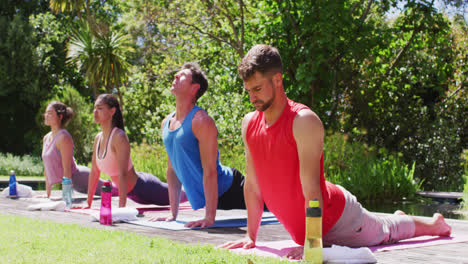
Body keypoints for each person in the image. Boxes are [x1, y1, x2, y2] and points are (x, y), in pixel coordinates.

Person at [220, 44, 451, 259]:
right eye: (248, 90)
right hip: (317, 219)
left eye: (258, 89)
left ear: (278, 80)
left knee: (385, 231)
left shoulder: (302, 121)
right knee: (381, 223)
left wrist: (311, 243)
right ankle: (395, 219)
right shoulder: (250, 123)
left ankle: (436, 224)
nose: (252, 98)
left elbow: (311, 189)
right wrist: (251, 236)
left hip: (338, 218)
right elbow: (252, 183)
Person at [155, 62, 246, 228]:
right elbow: (172, 169)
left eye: (182, 76)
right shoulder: (166, 123)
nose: (175, 76)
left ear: (194, 88)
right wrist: (172, 214)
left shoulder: (201, 121)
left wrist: (209, 218)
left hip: (232, 188)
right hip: (213, 199)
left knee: (276, 205)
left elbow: (210, 171)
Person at [86, 94, 182, 208]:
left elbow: (122, 174)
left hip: (144, 189)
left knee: (184, 195)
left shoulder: (118, 137)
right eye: (95, 108)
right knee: (185, 192)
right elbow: (94, 172)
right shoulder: (98, 138)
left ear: (112, 111)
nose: (95, 111)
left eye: (100, 108)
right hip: (133, 194)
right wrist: (88, 203)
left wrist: (121, 209)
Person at [42, 101, 105, 197]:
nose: (46, 115)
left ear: (60, 117)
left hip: (81, 178)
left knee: (112, 190)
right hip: (75, 186)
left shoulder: (63, 137)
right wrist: (47, 195)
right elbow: (47, 168)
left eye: (50, 113)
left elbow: (67, 169)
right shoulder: (46, 138)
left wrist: (66, 197)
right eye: (46, 112)